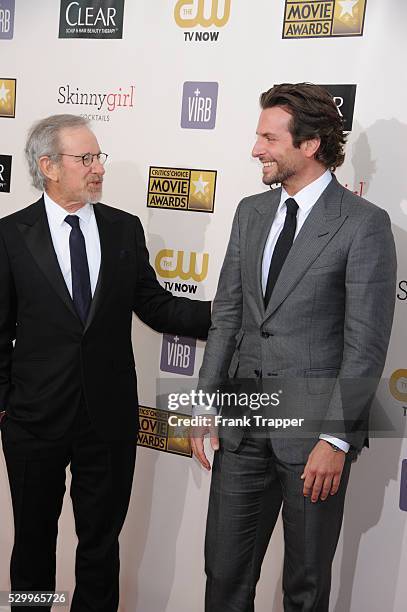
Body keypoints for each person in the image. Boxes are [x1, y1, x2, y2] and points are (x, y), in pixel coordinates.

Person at [191, 83, 397, 612]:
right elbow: (229, 317)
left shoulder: (364, 226)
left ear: (310, 145)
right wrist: (204, 403)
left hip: (313, 441)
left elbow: (365, 346)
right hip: (242, 428)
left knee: (305, 587)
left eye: (267, 137)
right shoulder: (250, 212)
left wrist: (337, 438)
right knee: (224, 576)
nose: (256, 149)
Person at [0, 114, 211, 612]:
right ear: (48, 166)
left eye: (99, 157)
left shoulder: (123, 228)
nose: (98, 168)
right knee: (32, 544)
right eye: (86, 158)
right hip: (34, 420)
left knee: (100, 545)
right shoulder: (10, 236)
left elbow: (157, 306)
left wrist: (235, 313)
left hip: (109, 419)